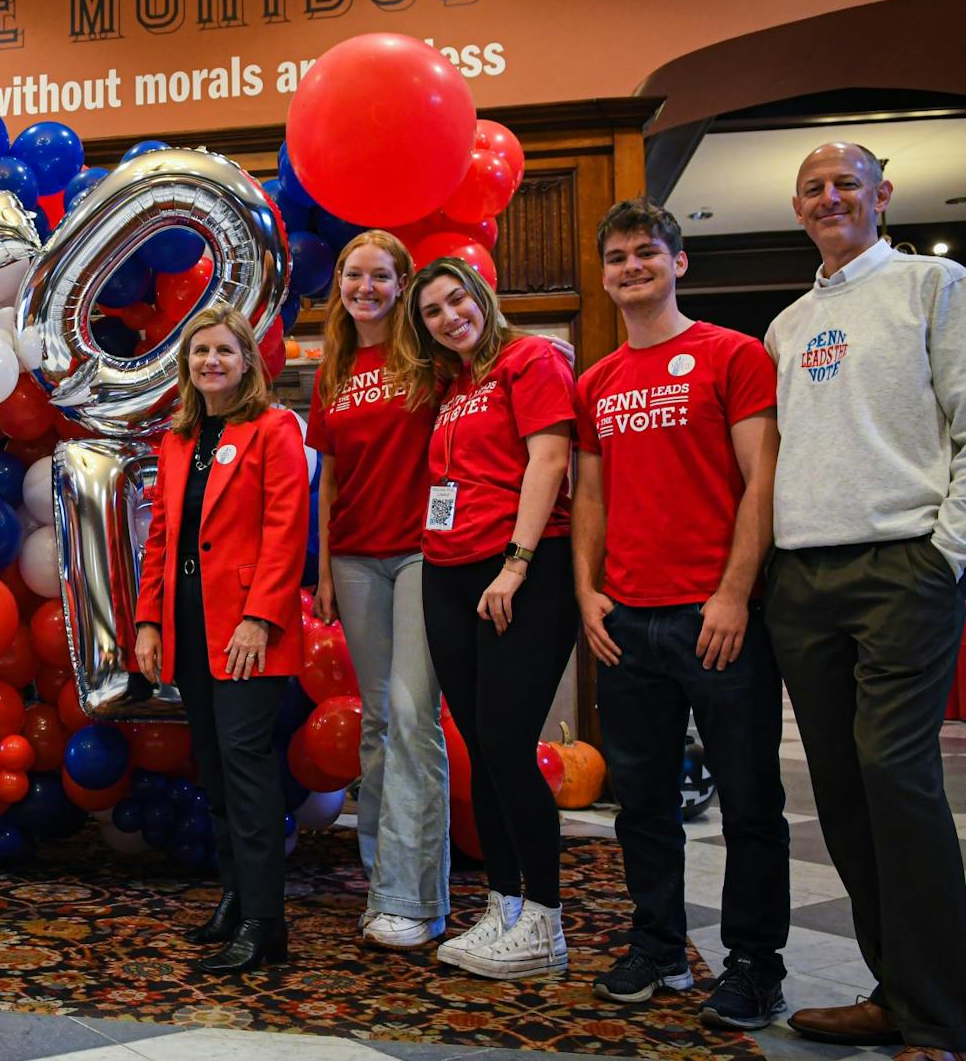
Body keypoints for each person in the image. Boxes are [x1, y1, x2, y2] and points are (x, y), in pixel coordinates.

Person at [762, 142, 966, 1060]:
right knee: (841, 789)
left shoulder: (935, 286)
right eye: (813, 188)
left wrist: (943, 555)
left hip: (900, 566)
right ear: (797, 207)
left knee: (897, 776)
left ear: (882, 193)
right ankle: (894, 990)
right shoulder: (788, 324)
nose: (830, 198)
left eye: (846, 183)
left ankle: (941, 1015)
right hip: (804, 578)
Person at [572, 198, 789, 1027]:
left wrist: (734, 591)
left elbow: (761, 480)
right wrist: (588, 591)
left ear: (678, 263)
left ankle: (754, 963)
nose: (631, 267)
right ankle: (658, 944)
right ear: (604, 275)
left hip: (717, 619)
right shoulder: (597, 381)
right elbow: (591, 495)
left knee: (750, 802)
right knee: (642, 803)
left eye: (647, 253)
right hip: (627, 622)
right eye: (618, 257)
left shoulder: (733, 355)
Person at [395, 258, 578, 980]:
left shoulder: (530, 359)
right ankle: (504, 906)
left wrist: (517, 562)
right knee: (482, 746)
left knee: (506, 743)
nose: (449, 317)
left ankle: (545, 920)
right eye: (432, 312)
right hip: (448, 571)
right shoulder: (455, 385)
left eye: (456, 300)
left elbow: (549, 460)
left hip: (517, 571)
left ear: (481, 296)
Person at [133, 304, 308, 974]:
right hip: (189, 623)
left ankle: (266, 922)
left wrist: (259, 617)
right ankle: (235, 898)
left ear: (247, 361)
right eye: (200, 351)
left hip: (247, 629)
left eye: (224, 351)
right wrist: (148, 621)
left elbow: (287, 529)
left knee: (245, 767)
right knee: (213, 769)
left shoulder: (274, 427)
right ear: (187, 364)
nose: (211, 361)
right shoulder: (179, 439)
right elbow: (160, 537)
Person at [306, 232, 449, 950]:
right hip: (357, 558)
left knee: (413, 716)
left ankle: (416, 897)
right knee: (377, 722)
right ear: (340, 282)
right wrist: (325, 570)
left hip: (423, 551)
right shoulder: (333, 368)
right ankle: (381, 882)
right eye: (354, 274)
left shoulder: (427, 358)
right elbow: (328, 481)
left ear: (402, 284)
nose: (366, 287)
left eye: (381, 276)